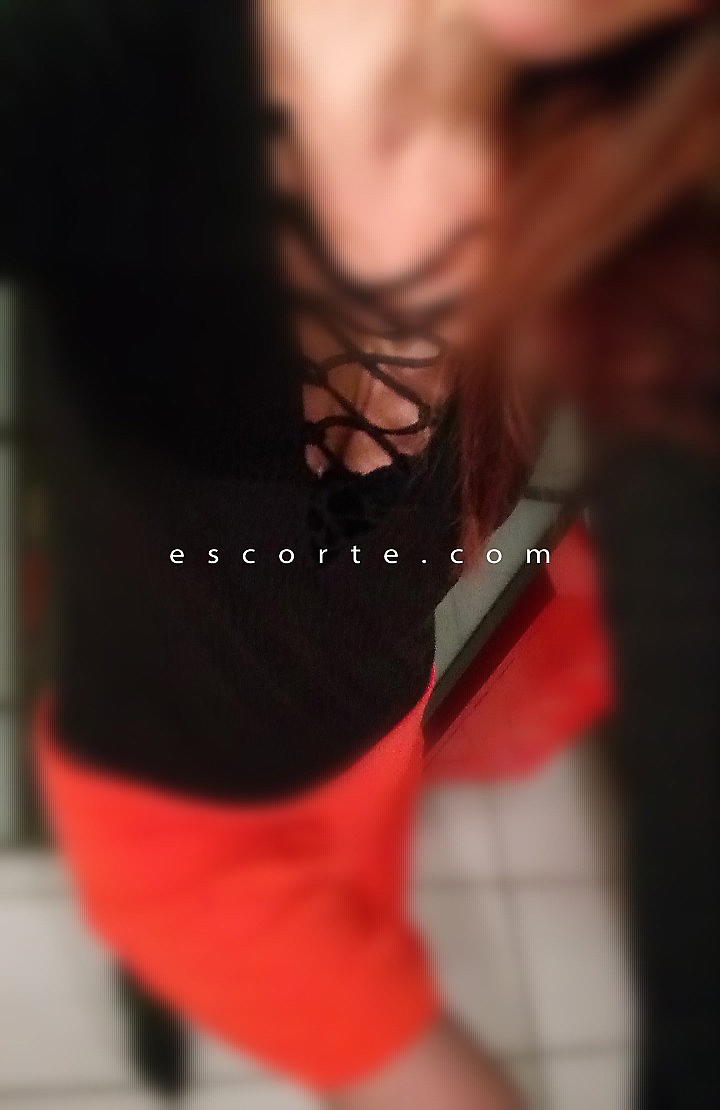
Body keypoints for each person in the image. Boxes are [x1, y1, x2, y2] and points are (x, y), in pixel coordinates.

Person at [1, 3, 716, 1107]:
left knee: (361, 967)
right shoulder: (107, 77)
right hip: (172, 818)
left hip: (376, 739)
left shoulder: (613, 171)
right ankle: (153, 997)